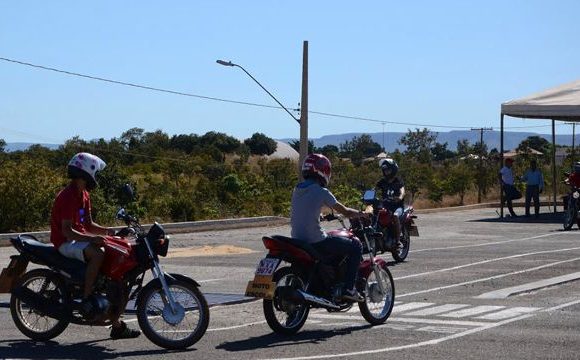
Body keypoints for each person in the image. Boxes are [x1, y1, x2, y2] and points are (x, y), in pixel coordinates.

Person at [50, 152, 140, 339]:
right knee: (98, 254)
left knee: (111, 250)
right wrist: (91, 239)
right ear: (85, 173)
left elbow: (88, 224)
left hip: (77, 239)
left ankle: (114, 321)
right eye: (95, 173)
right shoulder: (68, 196)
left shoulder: (84, 195)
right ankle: (87, 295)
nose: (96, 177)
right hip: (64, 242)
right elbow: (67, 231)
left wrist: (110, 232)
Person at [290, 153, 368, 302]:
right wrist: (362, 214)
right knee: (356, 246)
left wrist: (318, 217)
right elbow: (345, 211)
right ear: (323, 171)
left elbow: (304, 210)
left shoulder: (297, 189)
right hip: (316, 241)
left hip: (297, 239)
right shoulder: (322, 192)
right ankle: (349, 289)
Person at [376, 158, 405, 244]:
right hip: (385, 206)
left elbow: (402, 191)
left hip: (397, 206)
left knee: (395, 216)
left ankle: (398, 239)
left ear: (393, 170)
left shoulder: (398, 180)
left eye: (388, 170)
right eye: (385, 170)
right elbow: (375, 189)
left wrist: (400, 197)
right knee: (373, 214)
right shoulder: (382, 181)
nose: (386, 172)